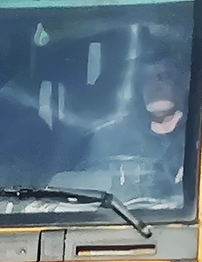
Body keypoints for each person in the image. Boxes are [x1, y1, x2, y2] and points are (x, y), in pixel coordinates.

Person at [80, 53, 189, 191]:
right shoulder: (110, 139)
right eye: (146, 78)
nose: (155, 84)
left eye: (165, 75)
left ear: (184, 81)